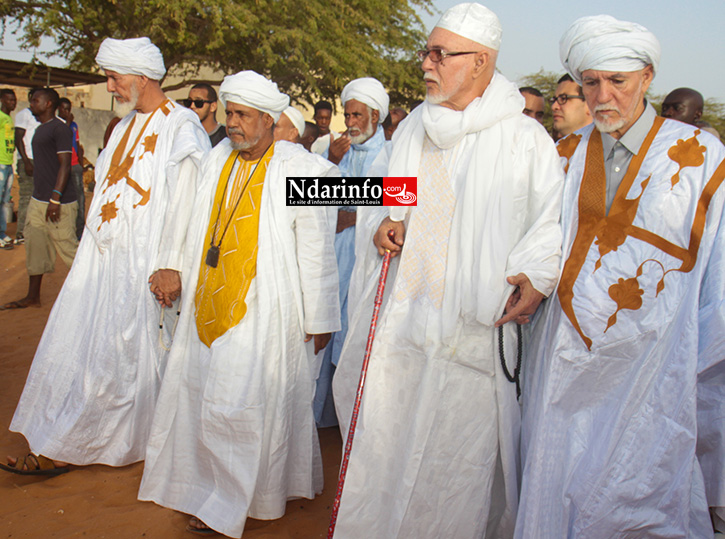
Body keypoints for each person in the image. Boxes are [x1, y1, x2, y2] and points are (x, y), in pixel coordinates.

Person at [331, 3, 564, 537]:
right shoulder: (415, 126)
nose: (426, 65)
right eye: (426, 52)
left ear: (480, 62)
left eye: (440, 54)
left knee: (455, 466)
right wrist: (385, 222)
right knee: (385, 450)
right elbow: (393, 196)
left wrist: (534, 276)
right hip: (404, 327)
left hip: (472, 336)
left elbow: (547, 223)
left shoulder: (523, 139)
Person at [516, 15, 725, 538]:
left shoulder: (699, 157)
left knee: (641, 487)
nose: (603, 95)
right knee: (559, 477)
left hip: (652, 366)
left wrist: (697, 361)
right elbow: (472, 204)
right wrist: (388, 209)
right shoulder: (561, 153)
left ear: (648, 77)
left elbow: (716, 276)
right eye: (591, 82)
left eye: (619, 81)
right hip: (564, 357)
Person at [137, 70, 340, 538]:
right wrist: (172, 265)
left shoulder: (296, 167)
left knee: (241, 404)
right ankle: (207, 485)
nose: (232, 122)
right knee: (203, 396)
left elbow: (318, 247)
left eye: (243, 115)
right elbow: (187, 216)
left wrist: (321, 316)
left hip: (264, 309)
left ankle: (237, 501)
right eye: (229, 113)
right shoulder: (217, 159)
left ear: (269, 120)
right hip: (208, 299)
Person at [1, 37, 209, 475]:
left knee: (128, 354)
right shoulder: (127, 124)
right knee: (86, 345)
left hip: (147, 265)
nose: (110, 85)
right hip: (104, 264)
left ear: (141, 77)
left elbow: (188, 201)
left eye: (115, 77)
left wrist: (170, 263)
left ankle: (92, 443)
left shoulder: (182, 126)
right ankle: (72, 436)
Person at [314, 77, 389, 427]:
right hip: (334, 259)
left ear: (376, 116)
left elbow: (402, 199)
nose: (351, 123)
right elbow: (309, 197)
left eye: (358, 115)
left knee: (356, 339)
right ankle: (324, 421)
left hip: (367, 264)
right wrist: (330, 161)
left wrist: (351, 210)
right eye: (348, 114)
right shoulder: (333, 152)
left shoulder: (391, 155)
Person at [0, 88, 76, 310]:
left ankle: (95, 297)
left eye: (35, 100)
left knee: (68, 250)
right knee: (35, 247)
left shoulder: (60, 129)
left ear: (49, 103)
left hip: (58, 202)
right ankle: (33, 297)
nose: (31, 104)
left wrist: (55, 199)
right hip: (38, 200)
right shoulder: (42, 129)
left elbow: (65, 165)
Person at [13, 88, 41, 245]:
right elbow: (19, 138)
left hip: (39, 160)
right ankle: (21, 233)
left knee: (37, 197)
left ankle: (32, 231)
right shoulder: (24, 115)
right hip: (27, 160)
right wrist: (26, 161)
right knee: (26, 197)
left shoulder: (40, 117)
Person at [57, 97, 86, 240]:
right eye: (64, 109)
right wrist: (67, 123)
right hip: (62, 166)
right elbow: (62, 138)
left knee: (80, 198)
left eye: (69, 109)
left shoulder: (74, 125)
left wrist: (80, 164)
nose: (67, 112)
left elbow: (78, 145)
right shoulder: (57, 125)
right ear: (58, 109)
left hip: (75, 165)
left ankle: (79, 231)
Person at [182, 83, 227, 147]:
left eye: (198, 102)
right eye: (188, 102)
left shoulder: (226, 137)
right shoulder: (183, 135)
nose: (192, 106)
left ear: (213, 107)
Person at [551, 73, 591, 139]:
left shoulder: (607, 147)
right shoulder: (555, 148)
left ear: (589, 104)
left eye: (563, 98)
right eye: (554, 100)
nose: (554, 107)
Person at [0, 89, 16, 249]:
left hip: (8, 163)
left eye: (14, 100)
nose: (13, 102)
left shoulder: (9, 119)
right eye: (10, 100)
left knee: (5, 201)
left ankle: (2, 232)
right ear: (2, 100)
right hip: (0, 164)